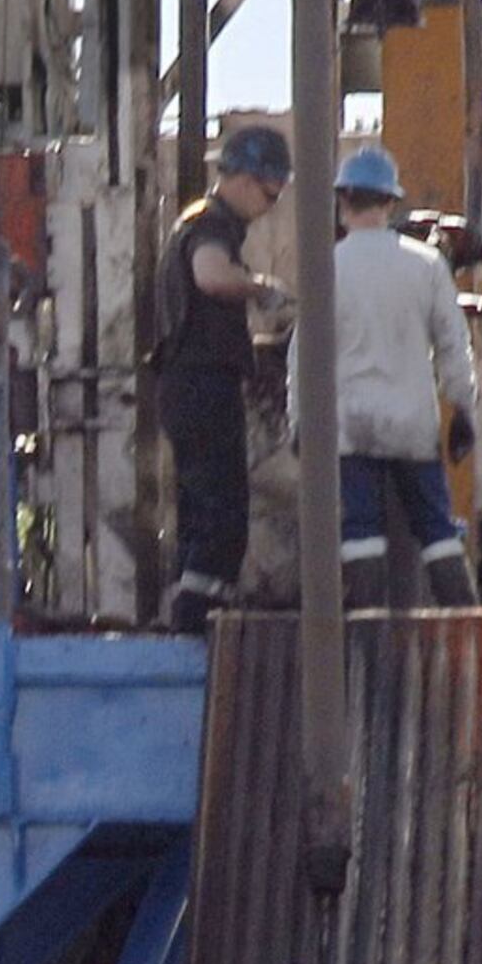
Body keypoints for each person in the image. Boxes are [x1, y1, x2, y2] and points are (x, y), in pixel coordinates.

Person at [313, 145, 480, 609]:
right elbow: (452, 345)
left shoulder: (327, 266)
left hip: (352, 422)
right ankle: (466, 623)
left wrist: (298, 420)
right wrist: (463, 408)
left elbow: (304, 353)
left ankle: (365, 629)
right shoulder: (426, 265)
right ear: (391, 203)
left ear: (342, 201)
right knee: (436, 528)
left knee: (360, 529)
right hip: (412, 421)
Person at [154, 125, 294, 636]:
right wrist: (261, 290)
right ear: (241, 178)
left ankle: (189, 612)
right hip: (200, 383)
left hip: (185, 382)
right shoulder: (210, 224)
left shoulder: (203, 222)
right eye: (268, 191)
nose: (270, 204)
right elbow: (211, 276)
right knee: (222, 508)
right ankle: (201, 621)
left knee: (200, 506)